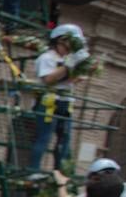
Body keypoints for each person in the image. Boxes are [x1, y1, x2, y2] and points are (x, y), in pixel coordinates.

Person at [26, 25, 90, 175]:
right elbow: (48, 78)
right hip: (49, 102)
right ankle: (33, 170)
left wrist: (81, 70)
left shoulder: (67, 59)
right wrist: (68, 66)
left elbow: (69, 80)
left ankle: (63, 173)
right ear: (60, 40)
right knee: (44, 137)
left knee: (65, 140)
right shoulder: (47, 58)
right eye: (69, 43)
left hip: (65, 102)